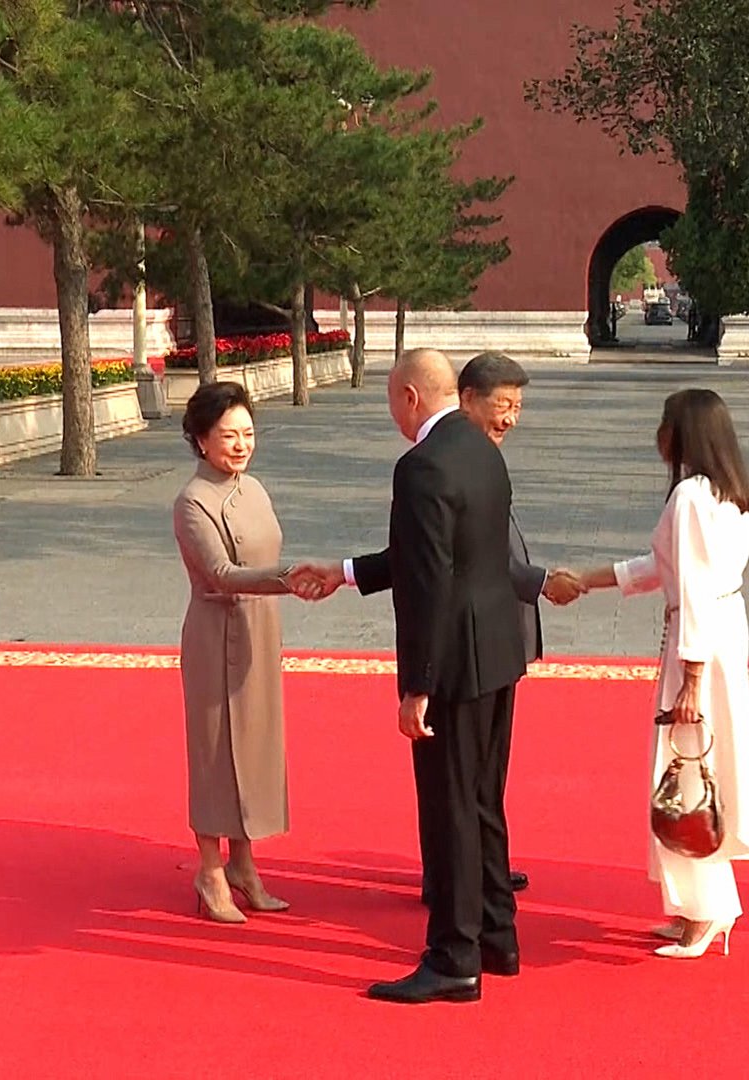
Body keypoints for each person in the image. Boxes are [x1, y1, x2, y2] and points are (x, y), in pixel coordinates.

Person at [296, 349, 527, 1004]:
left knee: (450, 806)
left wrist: (417, 686)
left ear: (406, 396)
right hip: (497, 654)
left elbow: (428, 581)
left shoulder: (422, 465)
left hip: (451, 662)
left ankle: (453, 956)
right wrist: (345, 573)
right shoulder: (483, 449)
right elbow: (432, 555)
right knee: (481, 798)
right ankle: (495, 935)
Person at [575, 388, 749, 959]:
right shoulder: (728, 494)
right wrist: (587, 578)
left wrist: (692, 680)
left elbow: (692, 587)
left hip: (701, 641)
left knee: (687, 770)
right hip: (719, 632)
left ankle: (703, 911)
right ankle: (702, 907)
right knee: (704, 769)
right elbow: (661, 568)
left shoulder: (689, 496)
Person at [172, 381, 299, 924]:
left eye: (248, 433)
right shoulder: (192, 502)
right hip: (216, 634)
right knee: (216, 752)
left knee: (255, 747)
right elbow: (221, 575)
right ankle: (210, 868)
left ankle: (245, 864)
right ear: (201, 440)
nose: (241, 445)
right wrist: (291, 580)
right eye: (228, 436)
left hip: (259, 630)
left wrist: (284, 582)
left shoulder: (254, 490)